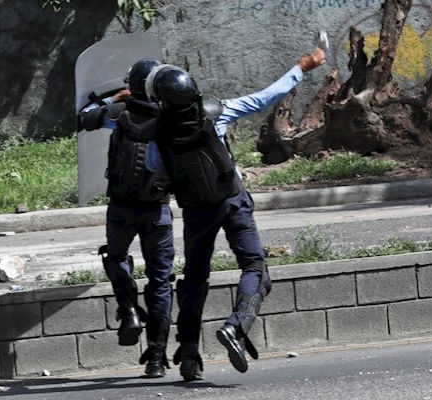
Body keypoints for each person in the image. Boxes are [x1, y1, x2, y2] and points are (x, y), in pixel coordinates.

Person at [145, 48, 326, 381]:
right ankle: (236, 326)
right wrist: (301, 67)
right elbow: (263, 98)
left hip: (197, 212)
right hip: (232, 202)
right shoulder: (217, 113)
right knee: (254, 265)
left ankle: (188, 357)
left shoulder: (157, 134)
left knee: (195, 280)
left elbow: (154, 168)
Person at [78, 58, 174, 378]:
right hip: (157, 208)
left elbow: (85, 118)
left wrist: (112, 99)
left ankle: (129, 309)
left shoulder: (119, 115)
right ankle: (157, 358)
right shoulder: (172, 117)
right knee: (160, 282)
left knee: (116, 255)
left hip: (120, 207)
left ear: (132, 85)